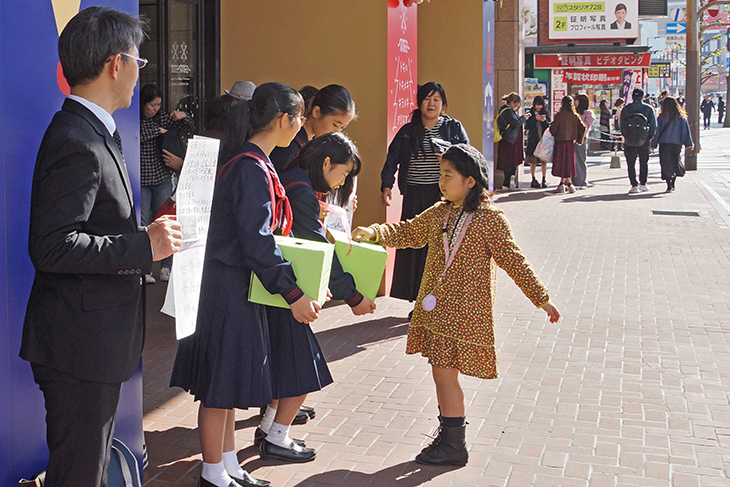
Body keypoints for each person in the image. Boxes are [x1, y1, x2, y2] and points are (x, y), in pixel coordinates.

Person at [21, 7, 182, 487]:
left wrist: (148, 237)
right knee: (78, 474)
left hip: (91, 343)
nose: (139, 73)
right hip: (78, 347)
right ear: (117, 63)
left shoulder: (93, 130)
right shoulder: (77, 137)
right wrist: (142, 247)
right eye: (138, 61)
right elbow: (51, 245)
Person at [353, 144, 560, 466]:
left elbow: (513, 260)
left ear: (470, 181)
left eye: (448, 175)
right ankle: (450, 437)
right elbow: (409, 231)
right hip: (439, 311)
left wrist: (541, 298)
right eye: (440, 175)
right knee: (441, 374)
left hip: (464, 313)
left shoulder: (490, 219)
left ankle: (453, 443)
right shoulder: (442, 211)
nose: (441, 181)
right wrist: (376, 233)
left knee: (444, 374)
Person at [170, 82, 316, 487]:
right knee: (219, 386)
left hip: (233, 283)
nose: (301, 125)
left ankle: (228, 467)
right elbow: (258, 241)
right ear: (284, 120)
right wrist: (293, 293)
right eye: (300, 117)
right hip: (227, 285)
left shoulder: (251, 160)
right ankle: (213, 472)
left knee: (228, 383)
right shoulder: (250, 166)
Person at [255, 133, 373, 462]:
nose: (343, 180)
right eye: (343, 172)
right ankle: (276, 436)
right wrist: (353, 296)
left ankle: (269, 428)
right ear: (325, 163)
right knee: (305, 366)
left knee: (289, 364)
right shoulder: (302, 191)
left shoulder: (291, 178)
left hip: (280, 287)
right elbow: (322, 248)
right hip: (288, 290)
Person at [381, 82, 469, 309]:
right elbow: (392, 159)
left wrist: (451, 159)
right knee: (414, 247)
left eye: (436, 100)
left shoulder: (453, 128)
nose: (431, 104)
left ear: (443, 104)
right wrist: (386, 185)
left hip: (443, 196)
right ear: (419, 103)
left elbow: (469, 157)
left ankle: (439, 301)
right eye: (427, 99)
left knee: (440, 248)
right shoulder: (408, 131)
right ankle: (419, 302)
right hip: (414, 195)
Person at [139, 83, 194, 283]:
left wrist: (184, 117)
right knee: (143, 224)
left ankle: (166, 266)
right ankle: (144, 268)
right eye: (152, 105)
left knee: (166, 221)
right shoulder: (137, 119)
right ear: (143, 104)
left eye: (158, 105)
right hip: (143, 179)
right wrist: (159, 131)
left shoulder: (162, 117)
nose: (155, 109)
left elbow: (187, 129)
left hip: (162, 177)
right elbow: (139, 135)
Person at [652, 97, 694, 193]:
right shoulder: (681, 117)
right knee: (675, 160)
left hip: (664, 143)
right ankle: (674, 180)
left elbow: (657, 132)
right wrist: (689, 143)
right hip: (677, 143)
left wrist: (654, 144)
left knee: (665, 163)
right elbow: (686, 131)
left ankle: (669, 184)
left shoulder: (662, 117)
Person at [621, 88, 657, 193]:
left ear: (632, 97)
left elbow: (622, 125)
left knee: (630, 163)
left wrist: (626, 136)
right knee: (643, 162)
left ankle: (634, 185)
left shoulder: (626, 109)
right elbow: (654, 126)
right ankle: (643, 183)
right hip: (644, 139)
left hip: (629, 140)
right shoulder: (648, 109)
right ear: (643, 97)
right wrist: (649, 137)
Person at [550, 96, 586, 194]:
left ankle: (563, 184)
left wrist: (555, 133)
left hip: (560, 142)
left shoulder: (559, 115)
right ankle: (569, 184)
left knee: (561, 162)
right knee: (569, 163)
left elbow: (553, 128)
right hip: (570, 142)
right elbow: (583, 127)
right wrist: (578, 139)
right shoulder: (575, 115)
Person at [496, 92, 526, 191]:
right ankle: (508, 182)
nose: (517, 106)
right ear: (513, 102)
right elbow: (516, 123)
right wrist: (524, 118)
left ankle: (508, 182)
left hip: (507, 139)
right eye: (517, 103)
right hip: (509, 140)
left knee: (508, 161)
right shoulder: (508, 111)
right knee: (510, 161)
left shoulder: (504, 110)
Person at [525, 95, 550, 188]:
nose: (539, 107)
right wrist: (535, 119)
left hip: (544, 140)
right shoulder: (530, 113)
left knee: (543, 161)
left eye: (540, 105)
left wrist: (544, 121)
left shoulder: (546, 113)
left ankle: (544, 178)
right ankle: (533, 178)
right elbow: (527, 126)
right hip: (533, 139)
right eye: (537, 105)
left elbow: (549, 126)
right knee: (533, 160)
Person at [573, 94, 595, 189]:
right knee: (571, 159)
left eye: (577, 101)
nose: (575, 103)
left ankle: (581, 180)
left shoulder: (589, 113)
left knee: (580, 159)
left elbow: (586, 126)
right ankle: (570, 180)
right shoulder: (573, 111)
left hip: (581, 138)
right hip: (571, 138)